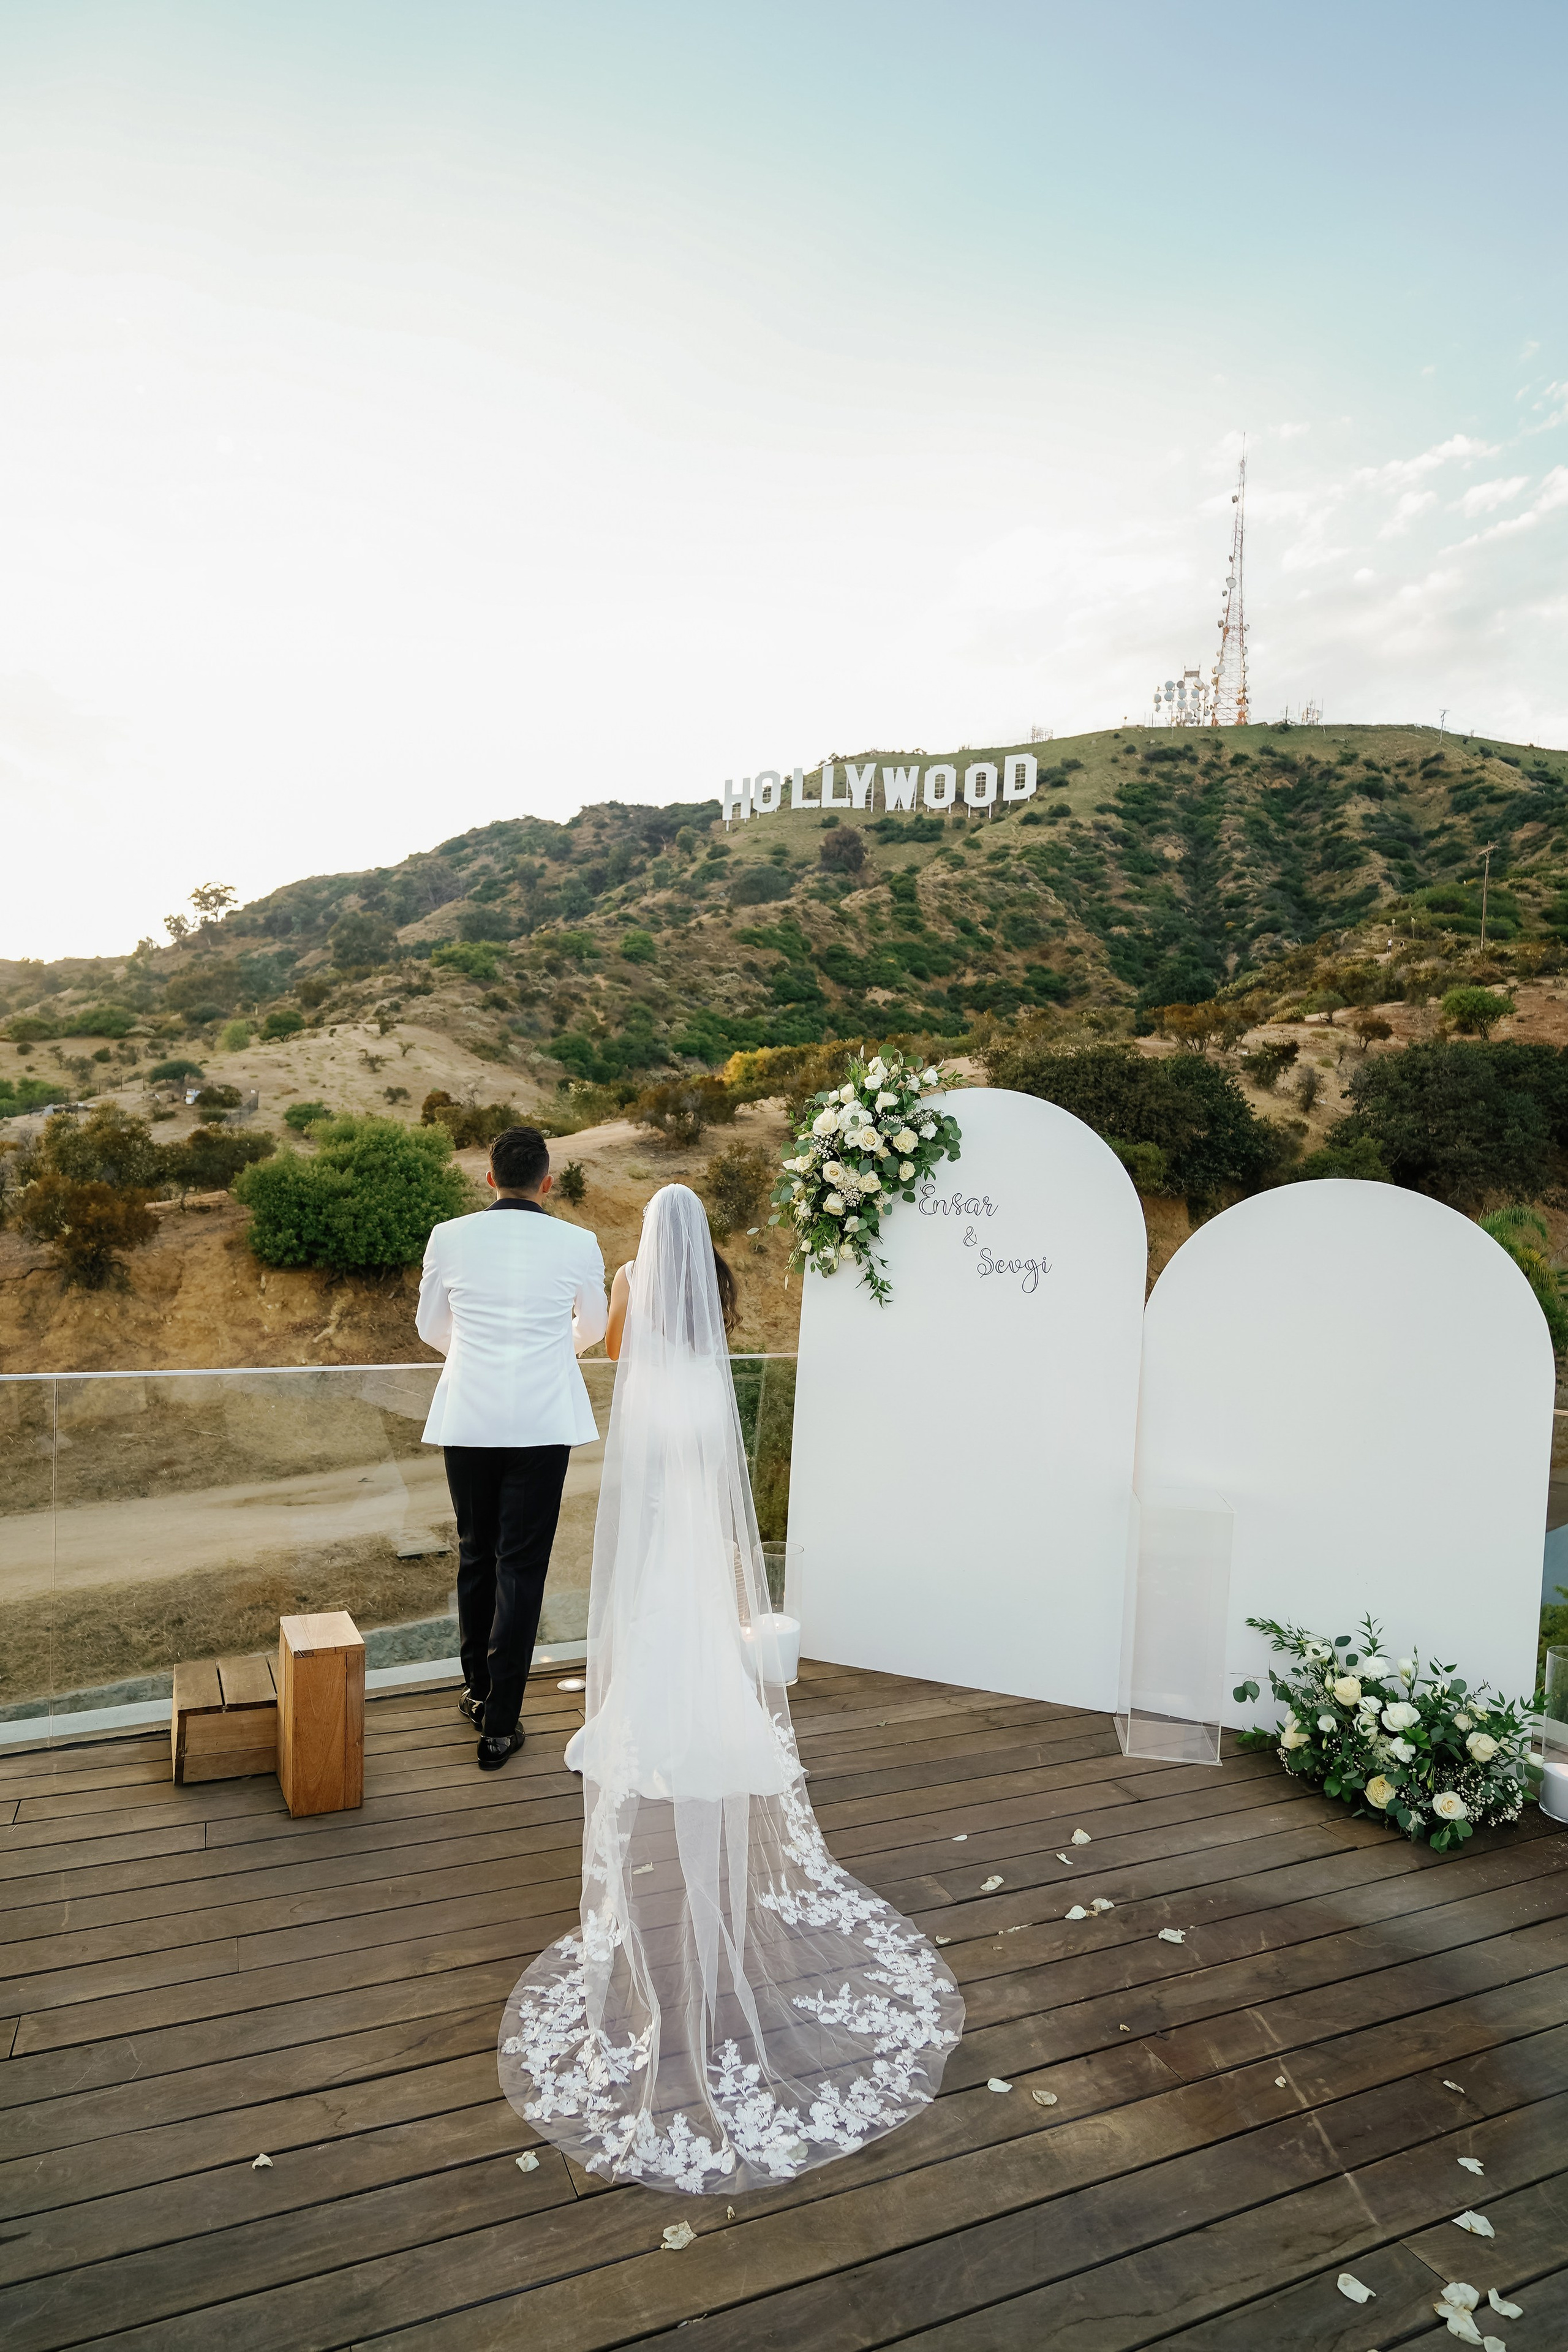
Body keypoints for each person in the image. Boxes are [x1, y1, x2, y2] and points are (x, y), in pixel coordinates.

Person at [497, 1182, 963, 2195]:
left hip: (656, 1469)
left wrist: (622, 1302)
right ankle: (706, 1717)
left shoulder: (634, 1288)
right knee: (697, 1607)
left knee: (652, 1610)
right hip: (697, 1462)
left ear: (646, 1238)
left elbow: (617, 1359)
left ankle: (651, 1719)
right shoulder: (712, 1301)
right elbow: (710, 1449)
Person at [417, 1125, 606, 1770]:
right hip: (543, 1418)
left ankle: (477, 1691)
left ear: (490, 1178)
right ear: (547, 1183)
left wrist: (478, 1356)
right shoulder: (579, 1242)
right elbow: (594, 1325)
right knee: (521, 1566)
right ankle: (499, 1724)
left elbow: (430, 1326)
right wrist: (549, 1351)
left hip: (469, 1414)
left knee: (476, 1552)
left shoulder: (448, 1236)